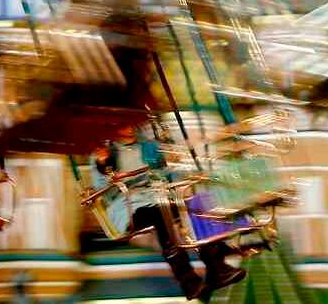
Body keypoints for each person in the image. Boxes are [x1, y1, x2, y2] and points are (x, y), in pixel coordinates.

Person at [91, 125, 245, 300]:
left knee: (191, 206)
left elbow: (168, 172)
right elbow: (103, 191)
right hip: (129, 205)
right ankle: (187, 279)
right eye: (123, 124)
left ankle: (216, 268)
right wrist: (103, 164)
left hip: (159, 195)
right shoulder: (104, 152)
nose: (129, 128)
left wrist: (170, 162)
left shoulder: (149, 145)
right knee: (161, 214)